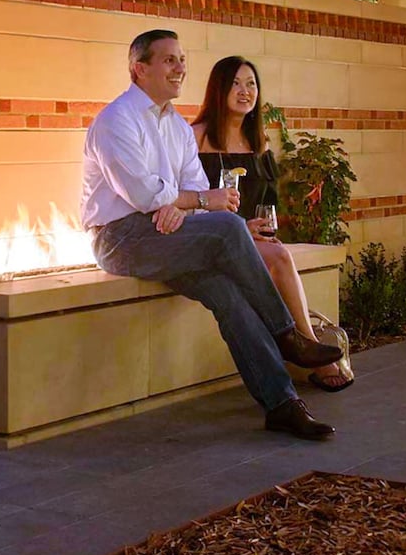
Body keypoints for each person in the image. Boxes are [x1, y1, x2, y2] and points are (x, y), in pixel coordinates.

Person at [81, 29, 342, 440]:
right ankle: (286, 334)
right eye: (169, 60)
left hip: (170, 232)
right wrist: (191, 201)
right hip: (121, 239)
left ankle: (282, 404)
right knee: (229, 226)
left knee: (227, 293)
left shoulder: (177, 128)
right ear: (139, 69)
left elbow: (191, 187)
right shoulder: (116, 120)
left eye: (182, 59)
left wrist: (180, 204)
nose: (180, 68)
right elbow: (146, 194)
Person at [192, 55, 354, 393]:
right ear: (218, 89)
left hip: (250, 238)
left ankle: (303, 346)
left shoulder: (258, 141)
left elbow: (267, 200)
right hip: (212, 236)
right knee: (280, 258)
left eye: (251, 84)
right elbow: (188, 200)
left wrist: (260, 228)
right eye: (236, 83)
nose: (245, 91)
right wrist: (240, 228)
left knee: (278, 253)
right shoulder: (196, 137)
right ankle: (310, 350)